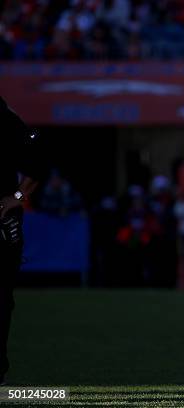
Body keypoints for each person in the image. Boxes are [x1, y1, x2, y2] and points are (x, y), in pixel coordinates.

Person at [0, 97, 43, 385]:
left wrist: (16, 198)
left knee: (2, 298)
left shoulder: (5, 121)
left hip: (1, 223)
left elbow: (38, 161)